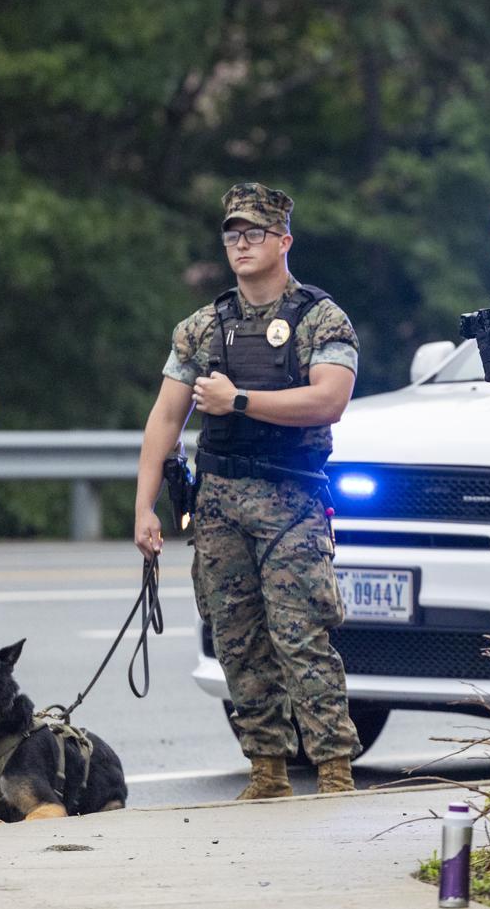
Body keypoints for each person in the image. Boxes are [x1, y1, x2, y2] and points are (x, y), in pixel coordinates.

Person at [133, 183, 361, 800]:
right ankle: (267, 770)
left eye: (254, 233)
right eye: (232, 234)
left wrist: (238, 400)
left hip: (292, 501)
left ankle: (334, 770)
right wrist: (145, 506)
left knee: (302, 638)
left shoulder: (321, 318)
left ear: (284, 241)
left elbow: (329, 400)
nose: (241, 244)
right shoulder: (203, 327)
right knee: (236, 639)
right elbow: (166, 417)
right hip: (218, 503)